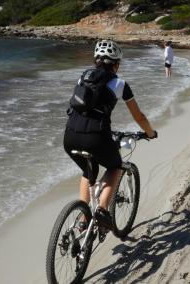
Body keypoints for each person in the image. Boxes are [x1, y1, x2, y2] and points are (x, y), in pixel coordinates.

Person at [64, 39, 158, 229]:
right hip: (95, 137)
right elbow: (139, 116)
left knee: (87, 171)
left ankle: (84, 219)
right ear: (116, 64)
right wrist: (150, 133)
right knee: (115, 167)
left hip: (70, 135)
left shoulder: (83, 77)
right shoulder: (120, 83)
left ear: (96, 61)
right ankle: (103, 211)